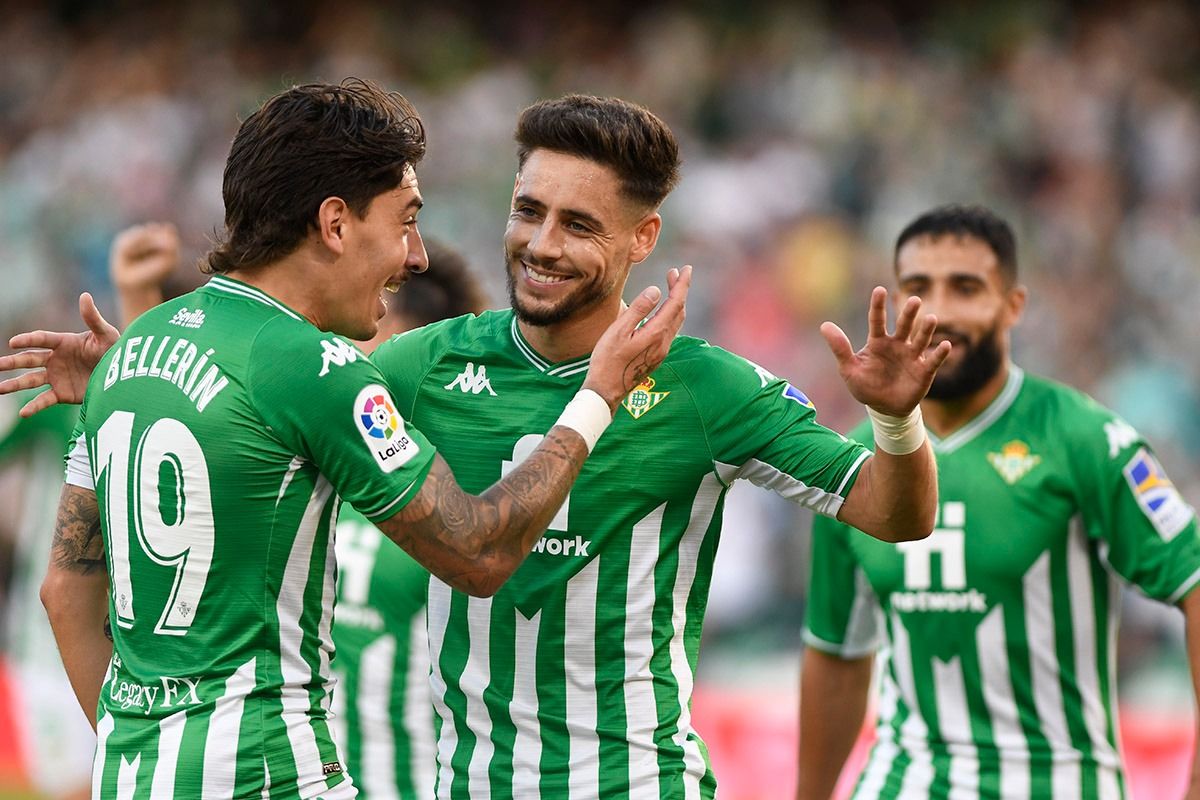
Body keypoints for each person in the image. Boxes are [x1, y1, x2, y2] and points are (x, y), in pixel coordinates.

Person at [3, 94, 947, 798]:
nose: (540, 243)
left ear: (642, 238)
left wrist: (899, 422)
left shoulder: (707, 386)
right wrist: (149, 353)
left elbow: (897, 514)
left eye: (579, 225)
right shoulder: (417, 366)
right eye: (527, 210)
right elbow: (266, 394)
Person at [797, 204, 1200, 800]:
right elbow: (835, 652)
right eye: (918, 287)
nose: (939, 311)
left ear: (1013, 305)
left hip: (1055, 783)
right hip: (902, 783)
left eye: (966, 287)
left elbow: (1192, 581)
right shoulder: (853, 462)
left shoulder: (1083, 438)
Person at [105, 222, 488, 799]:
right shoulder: (298, 495)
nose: (334, 352)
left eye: (383, 335)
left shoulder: (435, 510)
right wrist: (135, 323)